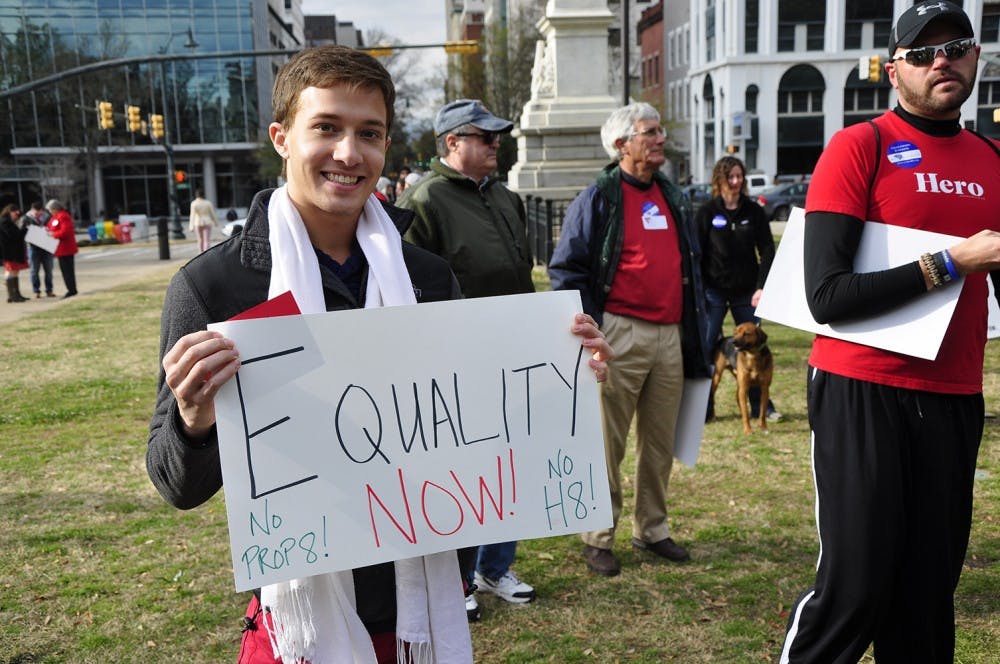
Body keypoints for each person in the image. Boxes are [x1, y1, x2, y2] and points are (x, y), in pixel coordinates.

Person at [145, 45, 611, 664]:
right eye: (327, 128)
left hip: (417, 610)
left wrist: (565, 380)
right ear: (282, 137)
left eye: (369, 133)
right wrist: (194, 420)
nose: (348, 153)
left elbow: (473, 426)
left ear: (386, 146)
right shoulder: (215, 288)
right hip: (302, 617)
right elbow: (177, 483)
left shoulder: (428, 277)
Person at [779, 3, 1000, 662]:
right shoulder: (860, 146)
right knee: (856, 588)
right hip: (860, 386)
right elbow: (828, 296)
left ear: (975, 59)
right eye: (925, 52)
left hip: (954, 393)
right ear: (893, 68)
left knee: (928, 592)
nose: (944, 61)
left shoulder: (991, 159)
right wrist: (951, 262)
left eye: (957, 47)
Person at [548, 102, 711, 577]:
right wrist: (590, 328)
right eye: (650, 132)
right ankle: (598, 536)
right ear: (623, 144)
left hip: (671, 334)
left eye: (660, 130)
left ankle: (652, 529)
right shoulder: (599, 197)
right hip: (618, 330)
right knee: (607, 441)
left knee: (661, 440)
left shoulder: (672, 195)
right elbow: (567, 268)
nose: (660, 138)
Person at [398, 99, 537, 620]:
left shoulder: (504, 195)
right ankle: (454, 579)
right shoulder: (425, 198)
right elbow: (412, 287)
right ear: (453, 142)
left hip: (513, 350)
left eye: (498, 136)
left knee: (508, 464)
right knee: (461, 469)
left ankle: (494, 567)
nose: (497, 143)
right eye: (486, 136)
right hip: (457, 358)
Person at [696, 156, 779, 422]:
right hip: (713, 292)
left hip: (747, 291)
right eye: (730, 177)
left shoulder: (753, 212)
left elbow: (767, 249)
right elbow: (695, 253)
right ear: (719, 180)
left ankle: (762, 407)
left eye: (739, 177)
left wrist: (762, 287)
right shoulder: (707, 212)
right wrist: (700, 289)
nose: (736, 182)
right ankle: (704, 410)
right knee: (708, 348)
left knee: (755, 347)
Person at [45, 199, 78, 298]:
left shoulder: (63, 216)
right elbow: (50, 228)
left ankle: (72, 290)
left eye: (50, 210)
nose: (50, 212)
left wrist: (52, 235)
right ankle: (71, 289)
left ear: (55, 209)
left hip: (66, 248)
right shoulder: (55, 217)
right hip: (60, 249)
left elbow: (65, 231)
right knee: (65, 271)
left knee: (68, 271)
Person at [24, 201, 55, 298]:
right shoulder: (26, 218)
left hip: (46, 246)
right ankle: (36, 291)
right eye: (35, 211)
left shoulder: (48, 217)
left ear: (42, 210)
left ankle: (49, 290)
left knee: (49, 270)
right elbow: (23, 231)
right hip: (33, 248)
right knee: (34, 270)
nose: (37, 213)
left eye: (39, 211)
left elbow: (53, 228)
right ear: (31, 210)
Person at [0, 203, 29, 303]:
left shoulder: (10, 222)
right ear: (9, 212)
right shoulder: (4, 222)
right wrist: (24, 230)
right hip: (9, 252)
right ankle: (12, 295)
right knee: (11, 271)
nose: (16, 215)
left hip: (14, 252)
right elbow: (13, 236)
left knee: (15, 271)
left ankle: (16, 294)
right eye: (14, 213)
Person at [189, 189, 219, 253]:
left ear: (196, 195)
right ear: (203, 195)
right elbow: (212, 213)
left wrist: (191, 226)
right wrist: (216, 222)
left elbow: (192, 215)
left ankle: (200, 253)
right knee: (206, 240)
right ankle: (206, 253)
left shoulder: (194, 203)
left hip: (197, 222)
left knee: (200, 239)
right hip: (207, 222)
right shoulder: (208, 203)